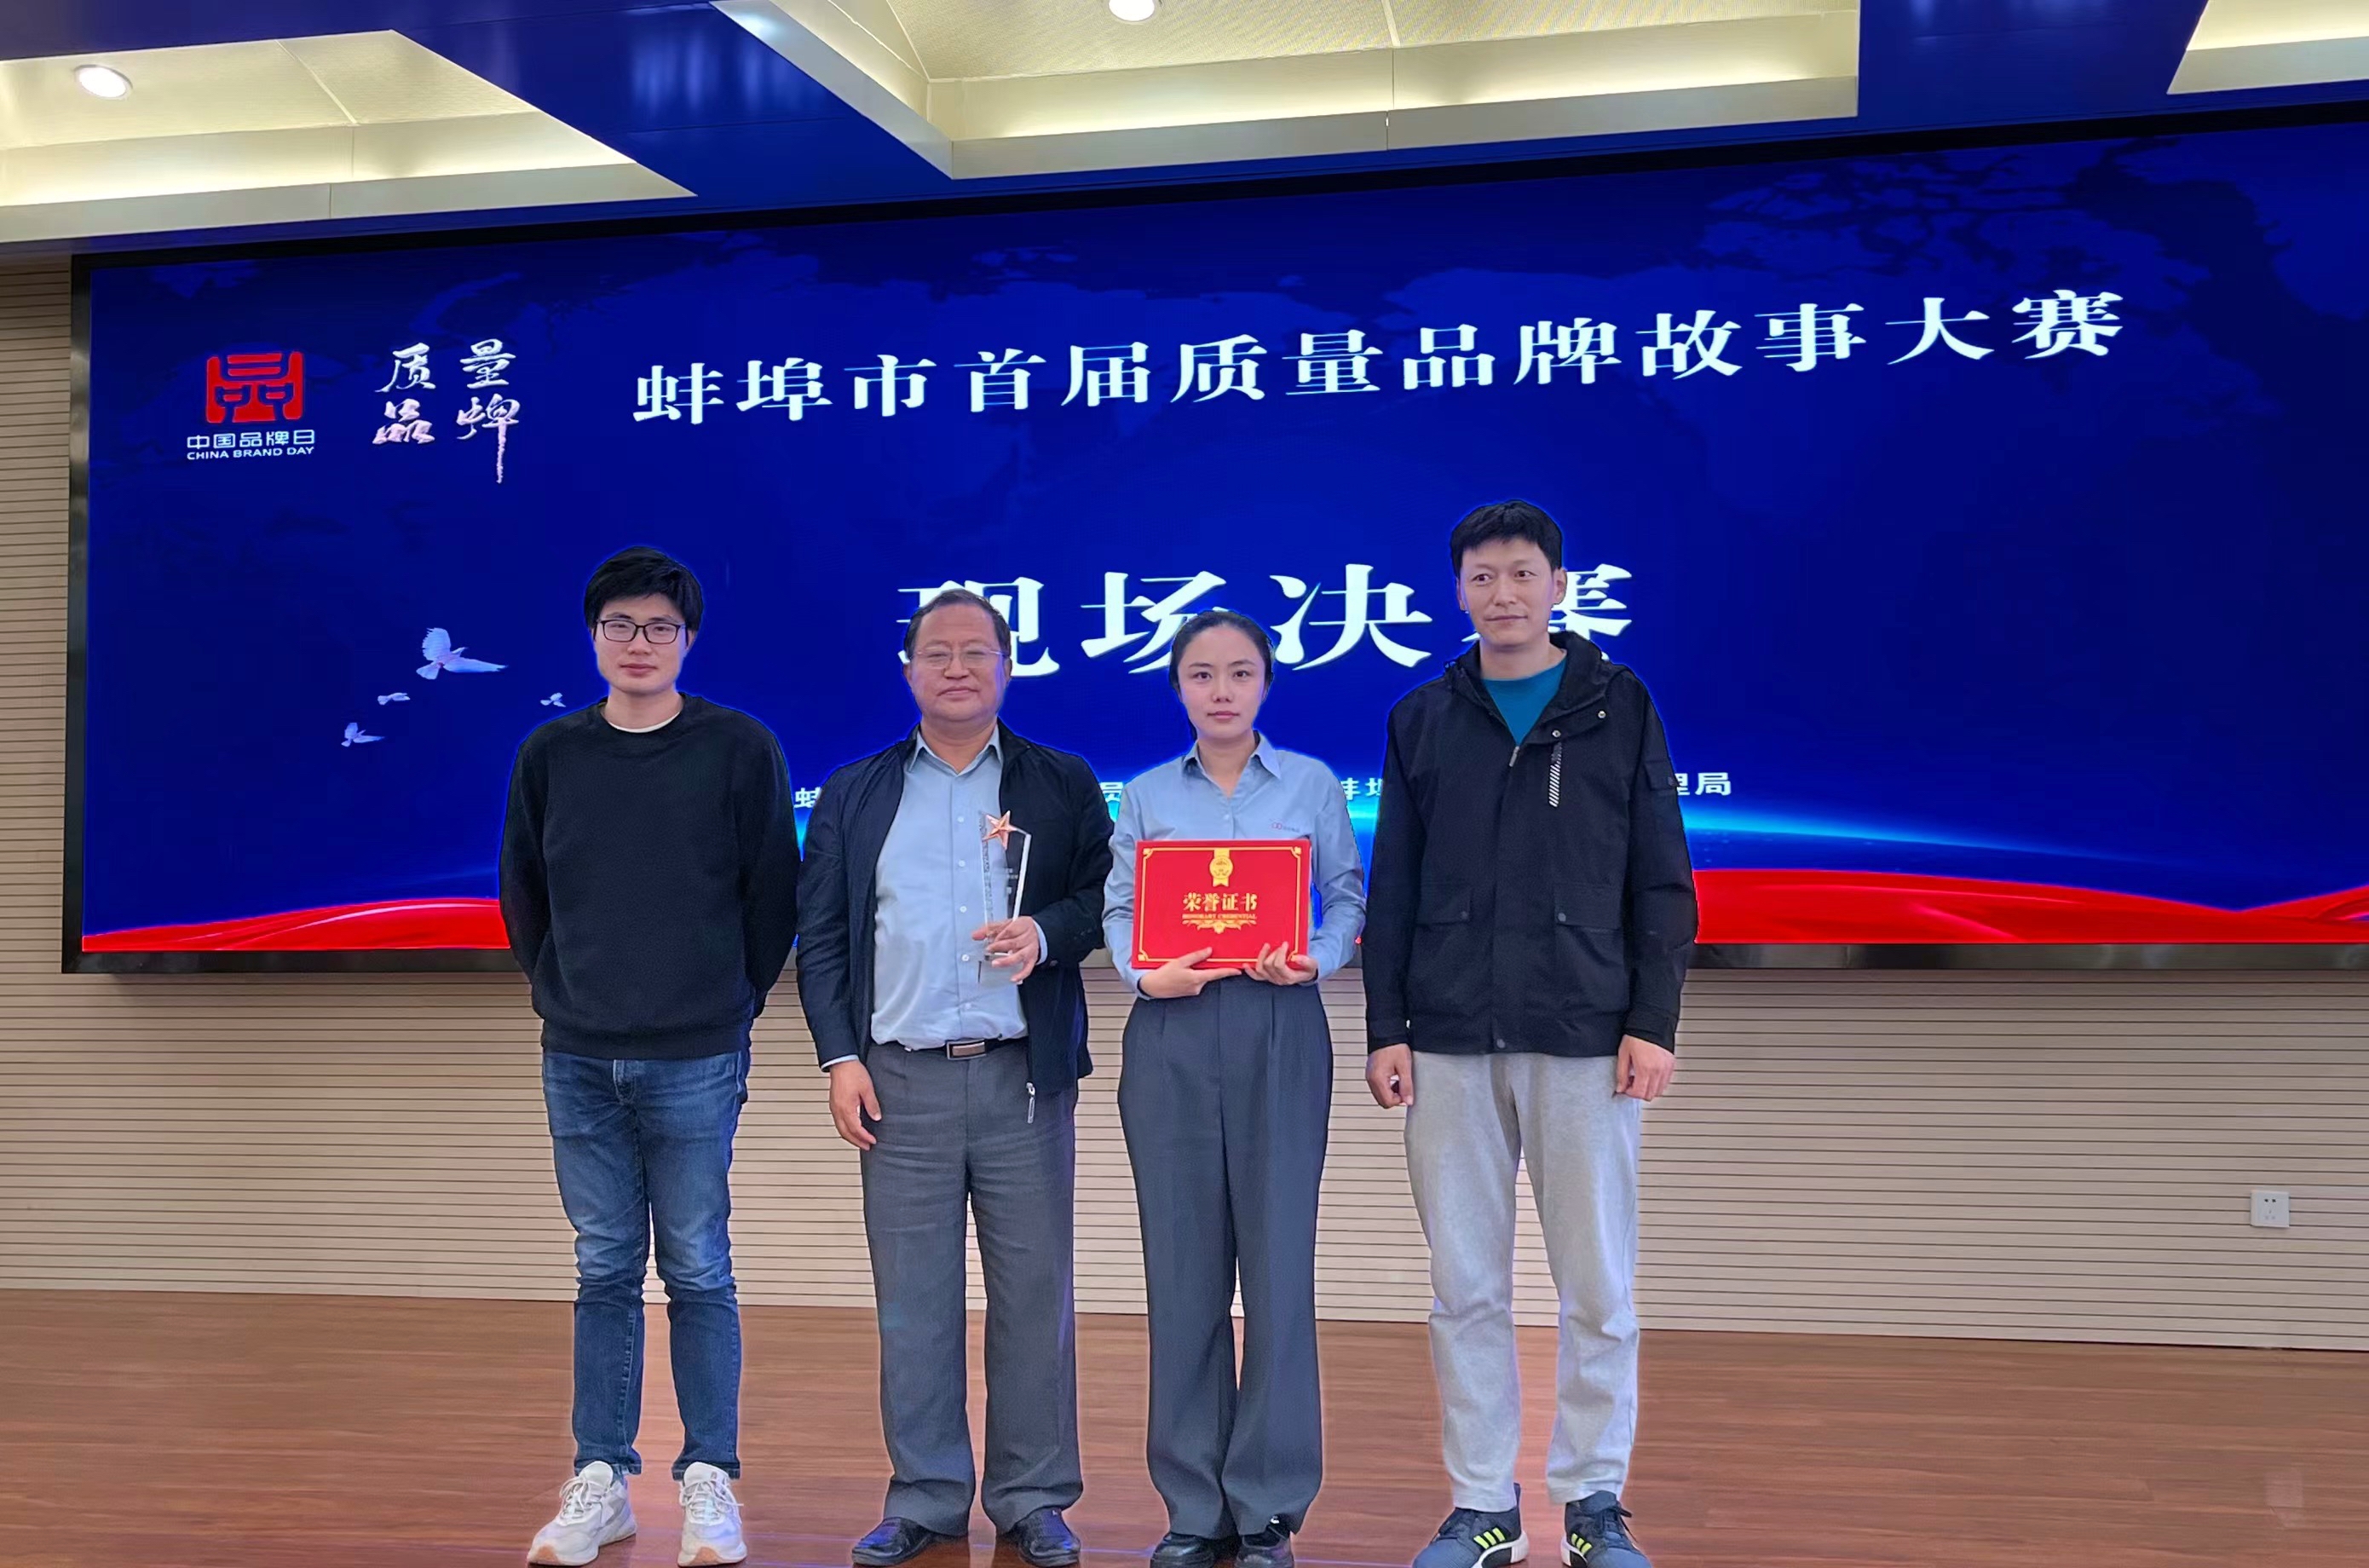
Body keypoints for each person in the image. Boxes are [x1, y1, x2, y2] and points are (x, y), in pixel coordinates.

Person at [1362, 501, 1697, 1568]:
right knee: (1464, 1286)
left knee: (1596, 1284)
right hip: (1448, 1033)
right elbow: (1394, 882)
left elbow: (1660, 875)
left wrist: (1650, 1021)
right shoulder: (1423, 716)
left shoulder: (1617, 703)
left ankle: (1593, 1501)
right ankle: (1481, 1505)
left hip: (1585, 1030)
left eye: (1519, 573)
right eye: (1480, 576)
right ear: (1457, 591)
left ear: (1557, 584)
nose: (1500, 593)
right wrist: (1385, 1025)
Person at [796, 588, 1115, 1568]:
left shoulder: (1059, 780)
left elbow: (1103, 897)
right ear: (908, 670)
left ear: (1007, 666)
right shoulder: (855, 791)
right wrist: (839, 1057)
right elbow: (823, 938)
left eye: (977, 651)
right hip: (898, 1083)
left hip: (1023, 1080)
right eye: (937, 652)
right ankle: (926, 1496)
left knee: (1034, 1299)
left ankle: (1033, 1497)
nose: (957, 668)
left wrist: (1046, 933)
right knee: (913, 1303)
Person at [503, 545, 800, 1568]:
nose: (640, 643)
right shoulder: (551, 753)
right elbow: (522, 891)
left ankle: (708, 1476)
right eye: (620, 625)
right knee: (602, 1265)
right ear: (593, 637)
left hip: (696, 1051)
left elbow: (772, 894)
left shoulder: (739, 747)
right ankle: (600, 1478)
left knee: (698, 1263)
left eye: (659, 627)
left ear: (688, 640)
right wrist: (562, 990)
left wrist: (726, 1001)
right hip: (578, 1051)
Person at [1102, 611, 1366, 1568]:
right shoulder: (1143, 795)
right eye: (1202, 674)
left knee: (1279, 1269)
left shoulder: (1310, 785)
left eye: (1240, 673)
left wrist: (1317, 958)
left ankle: (1267, 1507)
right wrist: (1143, 972)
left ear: (1265, 684)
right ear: (1177, 686)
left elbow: (1347, 896)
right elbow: (1120, 906)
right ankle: (1192, 1505)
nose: (1221, 690)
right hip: (1171, 1028)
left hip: (1279, 1024)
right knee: (1182, 1273)